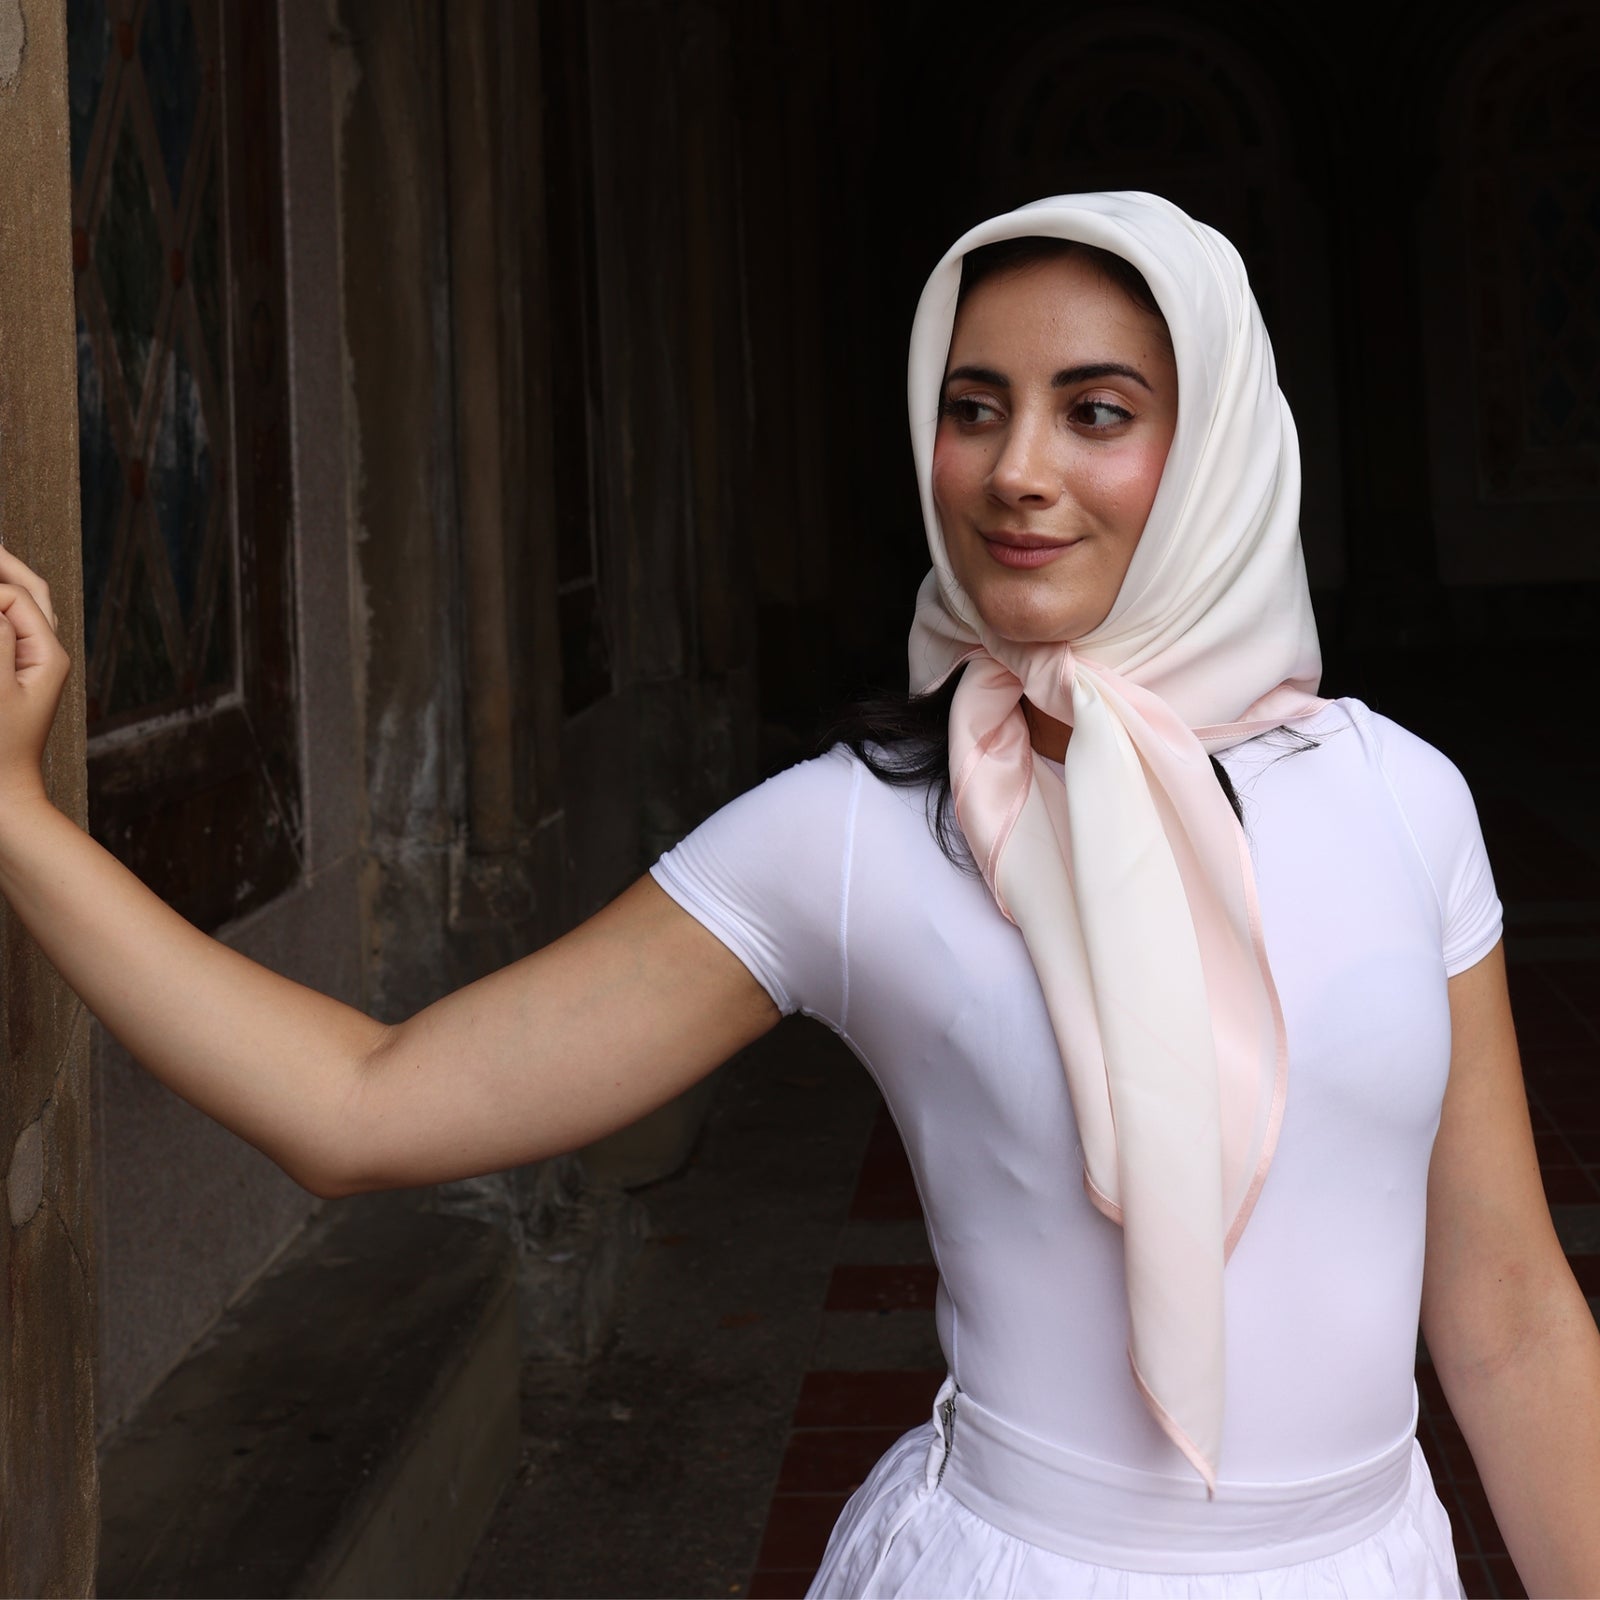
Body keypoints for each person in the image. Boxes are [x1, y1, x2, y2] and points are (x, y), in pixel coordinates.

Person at [0, 191, 1596, 1598]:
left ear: (1223, 445)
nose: (1016, 472)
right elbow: (361, 1106)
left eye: (1096, 410)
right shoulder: (862, 835)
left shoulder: (1401, 797)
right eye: (974, 408)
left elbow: (1513, 1312)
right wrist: (18, 822)